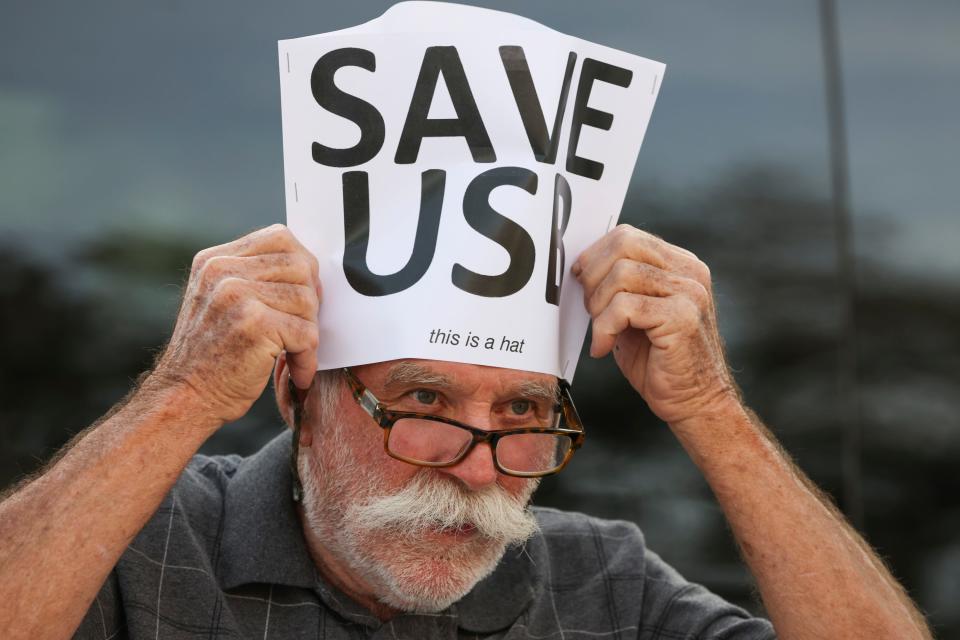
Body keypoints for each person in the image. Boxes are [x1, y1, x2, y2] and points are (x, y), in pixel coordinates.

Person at [0, 224, 931, 639]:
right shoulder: (132, 545)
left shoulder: (602, 586)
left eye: (523, 412)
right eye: (425, 403)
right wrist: (186, 390)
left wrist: (710, 412)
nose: (478, 472)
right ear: (300, 400)